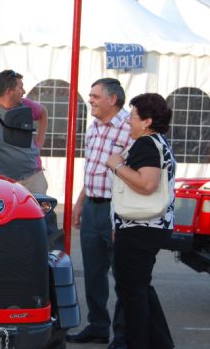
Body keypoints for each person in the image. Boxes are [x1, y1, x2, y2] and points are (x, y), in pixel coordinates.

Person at [105, 93, 175, 349]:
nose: (128, 122)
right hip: (145, 227)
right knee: (140, 289)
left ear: (146, 121)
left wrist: (116, 166)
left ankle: (139, 343)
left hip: (140, 228)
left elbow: (147, 184)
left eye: (132, 117)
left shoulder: (147, 144)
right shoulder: (157, 142)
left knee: (131, 293)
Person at [67, 78, 132, 348]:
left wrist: (122, 218)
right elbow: (94, 169)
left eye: (95, 96)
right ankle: (98, 327)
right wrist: (80, 201)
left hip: (117, 211)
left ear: (112, 99)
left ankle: (124, 336)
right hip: (93, 206)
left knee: (123, 276)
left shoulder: (131, 128)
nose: (90, 100)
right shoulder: (93, 128)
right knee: (94, 273)